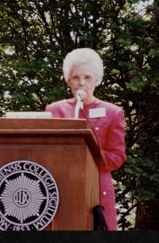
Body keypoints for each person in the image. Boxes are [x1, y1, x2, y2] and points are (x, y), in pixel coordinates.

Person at [45, 48, 127, 230]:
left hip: (98, 189)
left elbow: (118, 156)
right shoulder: (54, 110)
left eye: (87, 77)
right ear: (68, 80)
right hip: (60, 185)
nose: (81, 83)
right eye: (75, 77)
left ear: (97, 80)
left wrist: (87, 155)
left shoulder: (113, 112)